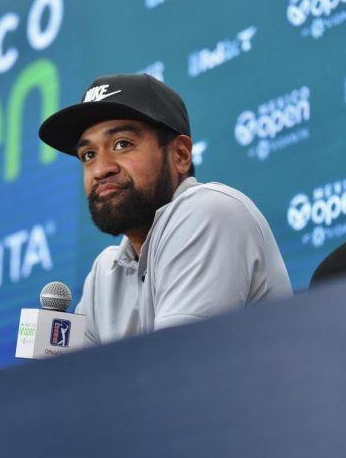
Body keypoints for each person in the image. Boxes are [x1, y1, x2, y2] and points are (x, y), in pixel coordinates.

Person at [38, 74, 292, 345]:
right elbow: (73, 383)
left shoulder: (207, 211)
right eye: (89, 155)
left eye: (122, 144)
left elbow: (176, 369)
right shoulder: (105, 272)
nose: (101, 169)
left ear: (180, 155)